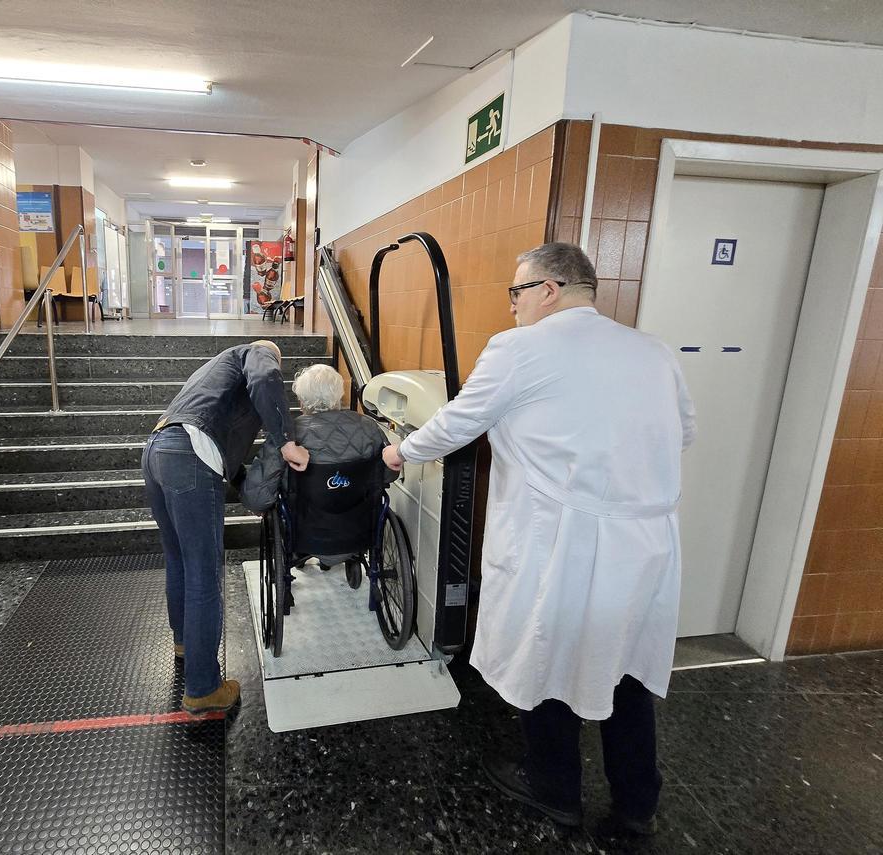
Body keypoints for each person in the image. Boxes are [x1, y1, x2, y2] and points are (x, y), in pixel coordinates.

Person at [383, 243, 695, 834]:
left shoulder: (519, 350)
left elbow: (457, 422)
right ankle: (637, 803)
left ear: (548, 290)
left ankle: (553, 785)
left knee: (548, 653)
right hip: (647, 543)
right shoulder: (654, 352)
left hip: (562, 542)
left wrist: (401, 450)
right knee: (624, 666)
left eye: (515, 294)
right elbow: (684, 432)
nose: (512, 309)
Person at [142, 340, 309, 716]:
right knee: (204, 576)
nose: (273, 372)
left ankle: (186, 643)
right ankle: (202, 688)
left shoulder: (214, 374)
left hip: (157, 450)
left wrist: (249, 494)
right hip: (189, 456)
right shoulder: (256, 353)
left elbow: (230, 457)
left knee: (180, 561)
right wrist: (286, 443)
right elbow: (265, 375)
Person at [241, 363, 397, 517]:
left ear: (301, 399)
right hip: (360, 524)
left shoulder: (287, 436)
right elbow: (389, 474)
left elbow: (256, 498)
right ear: (339, 394)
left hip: (305, 527)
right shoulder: (368, 426)